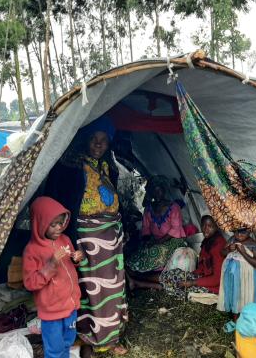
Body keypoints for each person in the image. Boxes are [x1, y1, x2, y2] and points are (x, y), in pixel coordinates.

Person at [45, 116, 127, 357]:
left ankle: (112, 336)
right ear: (85, 141)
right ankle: (93, 338)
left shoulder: (108, 167)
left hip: (111, 237)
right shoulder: (71, 168)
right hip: (86, 239)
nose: (99, 144)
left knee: (113, 288)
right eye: (94, 139)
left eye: (103, 140)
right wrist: (67, 240)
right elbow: (59, 204)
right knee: (92, 290)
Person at [23, 196, 84, 358]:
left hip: (70, 306)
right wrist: (51, 264)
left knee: (68, 342)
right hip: (52, 313)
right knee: (54, 349)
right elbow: (30, 283)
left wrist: (76, 258)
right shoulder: (32, 251)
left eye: (61, 222)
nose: (59, 228)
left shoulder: (65, 239)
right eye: (53, 224)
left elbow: (71, 264)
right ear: (40, 223)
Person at [126, 175, 187, 289]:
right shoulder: (148, 209)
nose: (157, 193)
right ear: (151, 192)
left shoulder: (173, 207)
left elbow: (175, 229)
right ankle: (139, 278)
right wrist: (146, 241)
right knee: (139, 253)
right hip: (155, 240)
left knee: (157, 251)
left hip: (173, 240)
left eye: (159, 190)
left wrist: (157, 242)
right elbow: (146, 228)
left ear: (164, 190)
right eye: (154, 190)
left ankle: (140, 278)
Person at [159, 215, 226, 298]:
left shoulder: (218, 245)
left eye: (210, 226)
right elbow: (202, 267)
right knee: (175, 273)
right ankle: (141, 280)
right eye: (203, 226)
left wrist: (192, 282)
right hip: (204, 277)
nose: (205, 229)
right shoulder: (208, 241)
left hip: (214, 287)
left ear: (216, 227)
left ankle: (154, 285)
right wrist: (190, 275)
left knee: (178, 285)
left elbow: (216, 279)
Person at [218, 228, 256, 319]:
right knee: (234, 294)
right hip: (232, 276)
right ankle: (236, 319)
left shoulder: (252, 244)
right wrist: (228, 249)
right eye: (236, 231)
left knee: (245, 295)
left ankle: (246, 319)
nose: (239, 234)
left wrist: (243, 253)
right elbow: (222, 252)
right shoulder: (232, 240)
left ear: (250, 230)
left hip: (246, 277)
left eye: (243, 231)